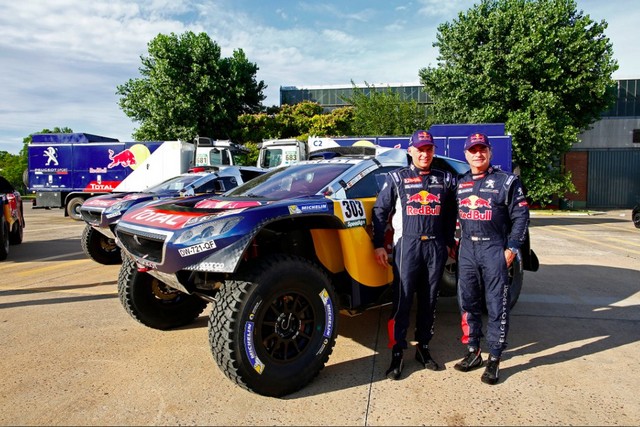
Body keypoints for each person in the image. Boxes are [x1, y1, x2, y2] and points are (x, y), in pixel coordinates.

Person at [372, 129, 457, 380]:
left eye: (429, 149)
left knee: (430, 300)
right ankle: (397, 352)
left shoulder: (445, 178)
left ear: (433, 151)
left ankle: (423, 348)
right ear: (410, 151)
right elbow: (380, 211)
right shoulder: (396, 178)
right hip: (407, 246)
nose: (424, 154)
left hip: (435, 246)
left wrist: (449, 240)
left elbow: (451, 212)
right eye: (420, 149)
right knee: (402, 301)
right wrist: (378, 244)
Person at [453, 132, 530, 385]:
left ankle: (494, 358)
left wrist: (512, 248)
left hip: (494, 249)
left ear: (489, 152)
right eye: (473, 150)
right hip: (467, 250)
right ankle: (473, 351)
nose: (478, 154)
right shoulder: (460, 182)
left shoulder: (507, 181)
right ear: (466, 154)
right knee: (468, 303)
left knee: (497, 305)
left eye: (482, 149)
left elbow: (521, 217)